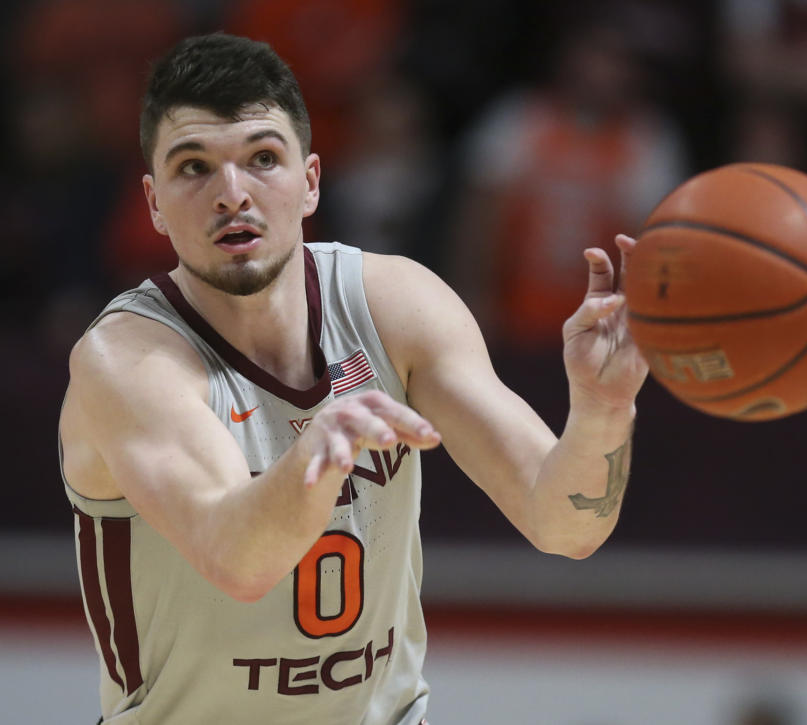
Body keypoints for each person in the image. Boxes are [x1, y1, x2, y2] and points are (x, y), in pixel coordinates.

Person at [58, 33, 648, 725]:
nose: (232, 193)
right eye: (194, 168)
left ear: (310, 182)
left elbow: (564, 523)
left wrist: (605, 407)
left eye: (262, 159)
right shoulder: (127, 358)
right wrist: (316, 449)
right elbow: (237, 561)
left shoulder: (397, 305)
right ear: (154, 204)